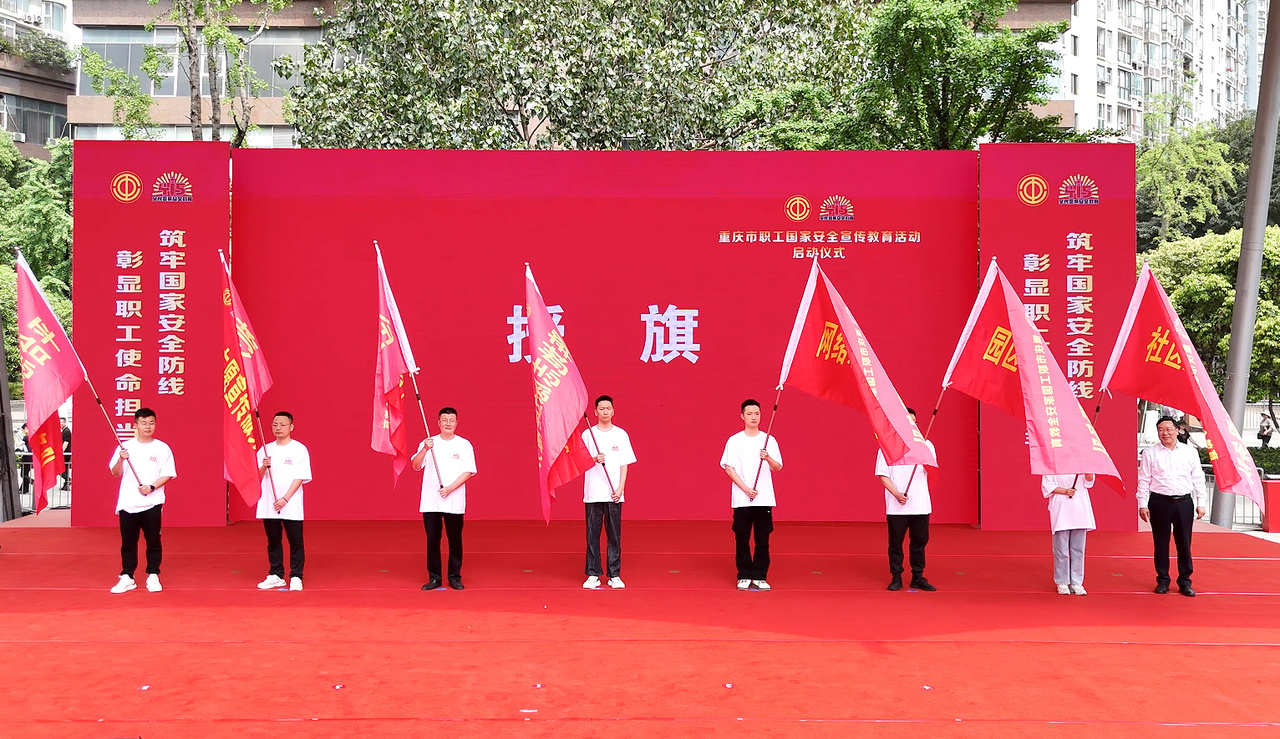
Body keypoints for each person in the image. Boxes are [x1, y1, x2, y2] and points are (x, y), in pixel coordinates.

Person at [1138, 416, 1208, 597]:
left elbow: (1198, 478)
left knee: (1184, 543)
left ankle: (1185, 581)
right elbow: (1144, 480)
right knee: (1161, 543)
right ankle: (1163, 580)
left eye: (1169, 429)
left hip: (1183, 502)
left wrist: (1201, 503)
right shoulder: (1150, 453)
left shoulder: (1189, 452)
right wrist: (1142, 504)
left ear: (1177, 431)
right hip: (1159, 502)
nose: (1165, 433)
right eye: (1161, 430)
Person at [108, 408, 176, 594]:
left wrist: (151, 487)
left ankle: (153, 574)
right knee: (128, 542)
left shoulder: (162, 448)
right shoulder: (125, 447)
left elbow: (168, 473)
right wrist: (121, 459)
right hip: (128, 503)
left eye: (151, 423)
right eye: (144, 423)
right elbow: (115, 473)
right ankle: (127, 576)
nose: (148, 426)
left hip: (152, 503)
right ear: (135, 425)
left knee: (153, 541)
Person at [720, 398, 783, 591]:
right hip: (742, 499)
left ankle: (760, 576)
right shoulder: (734, 441)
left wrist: (768, 457)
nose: (753, 417)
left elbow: (777, 467)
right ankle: (744, 575)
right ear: (742, 416)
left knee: (763, 539)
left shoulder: (768, 440)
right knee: (742, 538)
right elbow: (728, 468)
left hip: (764, 499)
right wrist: (746, 489)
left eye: (756, 414)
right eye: (749, 414)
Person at [412, 407, 476, 591]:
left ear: (457, 423)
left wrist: (450, 489)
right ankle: (434, 578)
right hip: (431, 501)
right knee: (433, 540)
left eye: (452, 420)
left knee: (455, 540)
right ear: (438, 423)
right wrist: (425, 448)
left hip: (454, 500)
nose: (448, 423)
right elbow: (415, 466)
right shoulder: (429, 443)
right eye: (444, 420)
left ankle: (454, 577)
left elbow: (469, 471)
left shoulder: (464, 444)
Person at [875, 408, 936, 592]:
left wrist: (922, 451)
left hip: (920, 505)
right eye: (908, 421)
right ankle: (896, 576)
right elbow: (882, 475)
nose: (912, 425)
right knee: (896, 543)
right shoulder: (887, 446)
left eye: (914, 421)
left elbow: (932, 468)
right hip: (897, 506)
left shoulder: (926, 444)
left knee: (919, 543)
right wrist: (896, 494)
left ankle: (918, 576)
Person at [581, 395, 636, 590]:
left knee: (614, 535)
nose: (605, 412)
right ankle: (593, 574)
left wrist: (621, 489)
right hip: (593, 493)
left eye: (608, 408)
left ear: (613, 411)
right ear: (595, 412)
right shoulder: (588, 434)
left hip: (614, 493)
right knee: (592, 535)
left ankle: (614, 574)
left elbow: (624, 464)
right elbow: (579, 462)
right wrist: (593, 459)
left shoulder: (621, 435)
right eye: (601, 408)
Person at [255, 412, 312, 592]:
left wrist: (285, 498)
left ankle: (296, 576)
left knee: (295, 541)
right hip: (269, 503)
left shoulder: (299, 449)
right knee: (273, 540)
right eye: (275, 425)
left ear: (291, 427)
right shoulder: (265, 450)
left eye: (282, 424)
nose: (278, 428)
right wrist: (264, 466)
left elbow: (301, 477)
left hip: (290, 503)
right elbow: (255, 477)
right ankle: (276, 574)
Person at [1042, 473, 1096, 596]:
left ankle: (1077, 582)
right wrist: (1065, 491)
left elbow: (1089, 481)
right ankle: (1062, 581)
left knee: (1078, 550)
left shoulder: (1081, 466)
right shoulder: (1052, 467)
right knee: (1061, 549)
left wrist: (1087, 470)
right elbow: (1047, 485)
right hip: (1061, 509)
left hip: (1080, 509)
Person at [60, 417, 71, 491]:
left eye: (61, 422)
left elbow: (66, 443)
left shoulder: (66, 431)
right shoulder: (64, 431)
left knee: (61, 469)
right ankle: (66, 483)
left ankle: (68, 480)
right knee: (64, 469)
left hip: (65, 453)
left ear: (65, 422)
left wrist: (61, 452)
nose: (60, 424)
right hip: (65, 453)